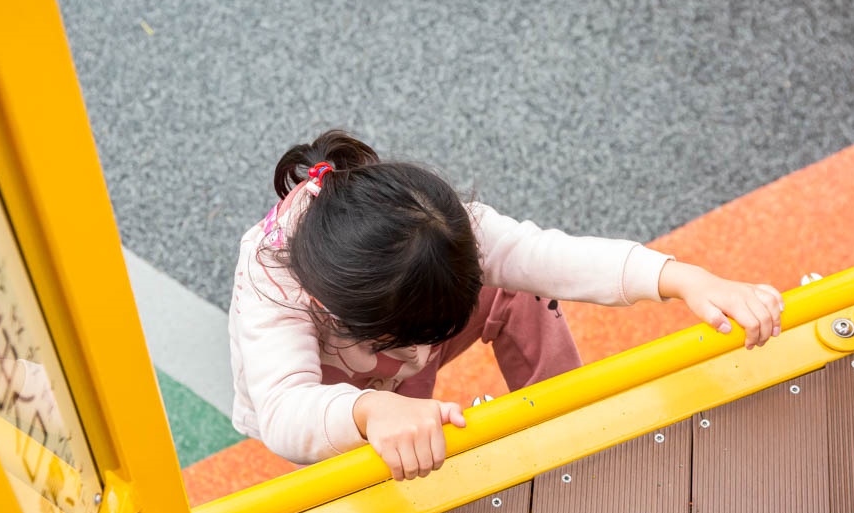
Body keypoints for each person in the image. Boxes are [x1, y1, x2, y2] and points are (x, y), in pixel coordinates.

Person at [228, 130, 784, 481]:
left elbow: (550, 255)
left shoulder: (440, 228)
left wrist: (682, 277)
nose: (424, 355)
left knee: (515, 288)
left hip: (400, 335)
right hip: (338, 390)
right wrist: (368, 411)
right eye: (408, 343)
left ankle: (563, 412)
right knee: (385, 456)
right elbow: (285, 409)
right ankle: (390, 445)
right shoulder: (275, 285)